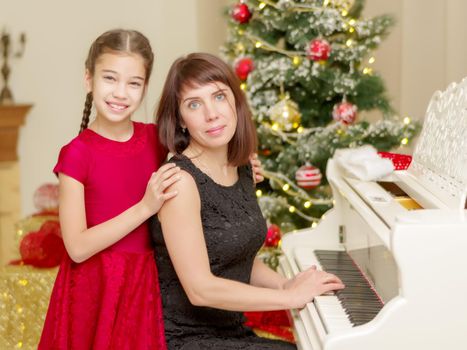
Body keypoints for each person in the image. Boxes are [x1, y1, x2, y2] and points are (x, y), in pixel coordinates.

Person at [151, 53, 345, 350]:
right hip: (185, 340)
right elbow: (200, 289)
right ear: (180, 121)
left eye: (219, 96)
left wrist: (284, 284)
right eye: (194, 104)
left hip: (231, 331)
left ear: (236, 103)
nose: (211, 113)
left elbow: (234, 258)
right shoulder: (180, 183)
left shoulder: (241, 167)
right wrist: (287, 298)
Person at [39, 29, 180, 349]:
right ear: (88, 79)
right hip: (93, 289)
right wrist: (145, 208)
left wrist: (240, 167)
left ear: (145, 87)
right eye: (110, 78)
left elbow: (202, 162)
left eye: (134, 83)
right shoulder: (76, 154)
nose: (121, 92)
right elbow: (77, 246)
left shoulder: (157, 140)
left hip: (144, 286)